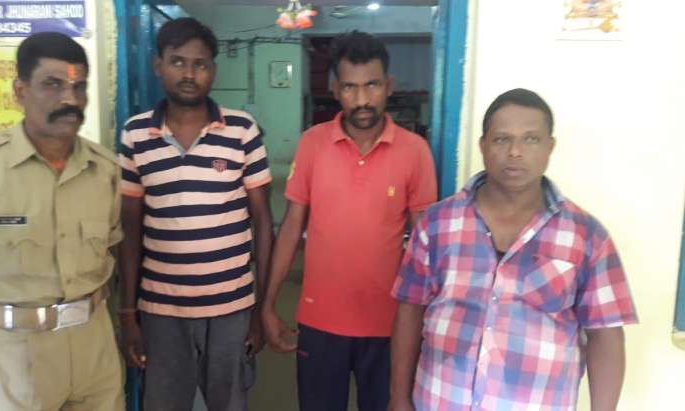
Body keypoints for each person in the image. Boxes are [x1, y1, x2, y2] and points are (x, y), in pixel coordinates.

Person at [389, 88, 638, 411]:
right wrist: (398, 398)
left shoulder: (587, 237)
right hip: (439, 401)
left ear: (550, 147)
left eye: (531, 139)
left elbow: (605, 336)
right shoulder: (437, 223)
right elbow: (410, 312)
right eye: (501, 139)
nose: (515, 152)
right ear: (483, 145)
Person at [262, 31, 438, 411]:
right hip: (320, 322)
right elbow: (291, 226)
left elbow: (427, 244)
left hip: (391, 325)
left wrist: (426, 318)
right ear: (334, 89)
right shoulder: (312, 143)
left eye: (371, 85)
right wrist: (269, 303)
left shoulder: (415, 152)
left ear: (388, 85)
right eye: (349, 87)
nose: (361, 100)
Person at [0, 32, 124, 410]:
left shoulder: (105, 170)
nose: (70, 99)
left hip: (93, 346)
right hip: (12, 354)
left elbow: (111, 251)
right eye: (53, 84)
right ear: (20, 91)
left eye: (79, 87)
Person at [118, 17, 274, 411]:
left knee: (229, 403)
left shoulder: (242, 130)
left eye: (200, 64)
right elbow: (130, 232)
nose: (189, 74)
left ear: (213, 70)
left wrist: (262, 308)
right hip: (161, 310)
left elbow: (263, 224)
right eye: (178, 62)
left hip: (231, 308)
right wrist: (128, 313)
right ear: (159, 65)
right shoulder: (135, 135)